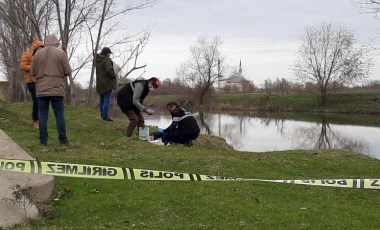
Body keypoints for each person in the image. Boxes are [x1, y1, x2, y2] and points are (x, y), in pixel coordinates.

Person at [31, 34, 72, 146]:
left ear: (45, 42)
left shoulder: (38, 54)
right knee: (59, 115)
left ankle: (43, 142)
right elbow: (68, 71)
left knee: (43, 115)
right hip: (57, 88)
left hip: (41, 89)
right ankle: (63, 141)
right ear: (56, 42)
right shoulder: (60, 53)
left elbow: (33, 73)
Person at [19, 40, 44, 129]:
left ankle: (37, 119)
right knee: (36, 100)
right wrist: (34, 68)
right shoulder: (27, 54)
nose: (41, 50)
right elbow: (22, 66)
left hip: (40, 81)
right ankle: (35, 121)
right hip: (31, 82)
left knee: (40, 101)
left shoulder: (41, 57)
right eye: (39, 48)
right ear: (35, 48)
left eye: (42, 48)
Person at [95, 47, 117, 121]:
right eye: (109, 53)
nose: (110, 55)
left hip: (99, 83)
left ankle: (102, 114)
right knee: (107, 100)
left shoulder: (97, 60)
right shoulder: (107, 60)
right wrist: (113, 76)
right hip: (107, 84)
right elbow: (109, 70)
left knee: (102, 100)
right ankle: (105, 116)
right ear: (107, 53)